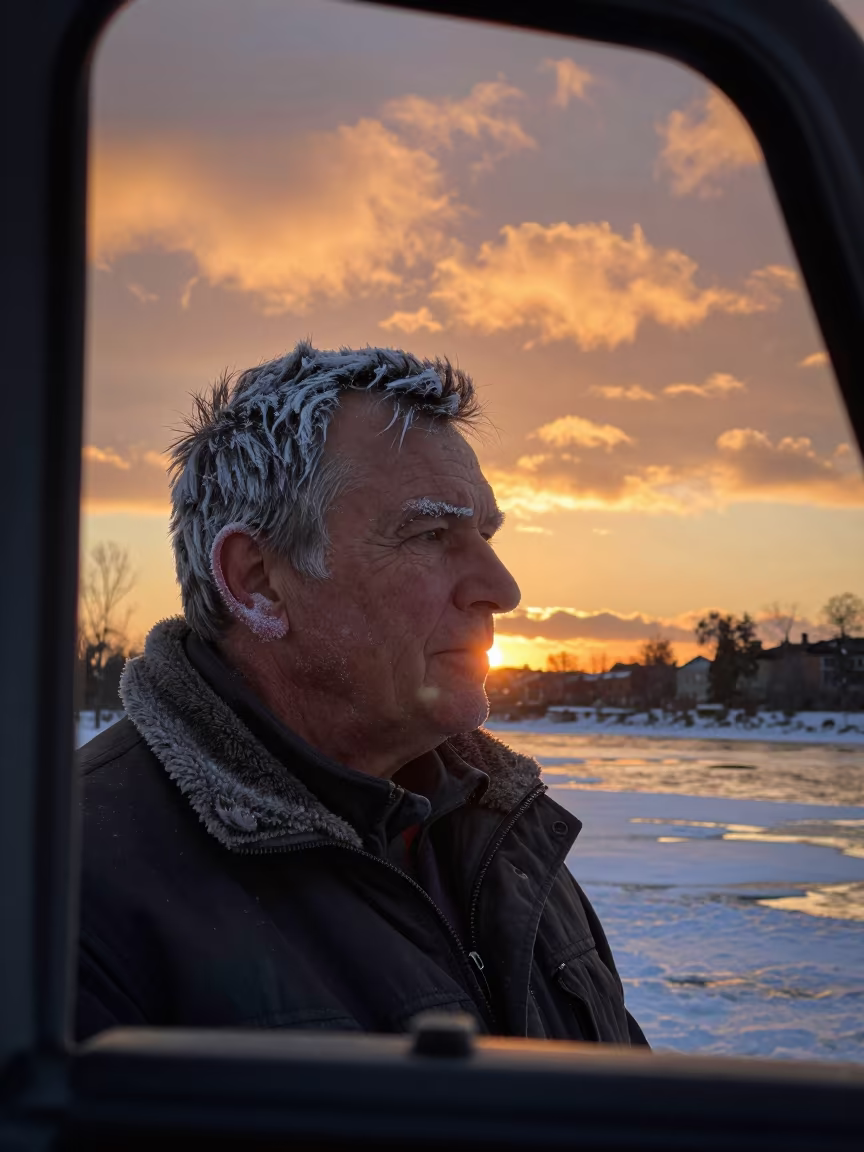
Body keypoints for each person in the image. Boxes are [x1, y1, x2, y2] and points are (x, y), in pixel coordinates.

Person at [76, 342, 648, 1046]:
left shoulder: (503, 838)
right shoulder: (68, 888)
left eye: (485, 534)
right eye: (431, 533)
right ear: (257, 581)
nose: (501, 589)